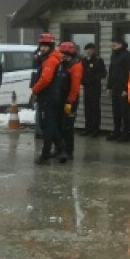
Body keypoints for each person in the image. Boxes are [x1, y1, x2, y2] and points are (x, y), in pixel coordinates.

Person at [30, 33, 67, 163]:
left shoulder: (50, 61)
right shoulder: (52, 58)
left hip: (48, 96)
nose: (42, 48)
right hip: (52, 96)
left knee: (47, 127)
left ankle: (45, 155)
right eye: (42, 46)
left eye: (46, 46)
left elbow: (45, 79)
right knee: (51, 124)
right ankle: (61, 150)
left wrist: (35, 89)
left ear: (50, 47)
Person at [106, 36, 130, 142]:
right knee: (116, 111)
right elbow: (111, 71)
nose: (112, 47)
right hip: (115, 87)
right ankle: (116, 131)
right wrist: (109, 86)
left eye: (114, 45)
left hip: (123, 88)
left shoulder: (127, 56)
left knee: (124, 112)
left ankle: (126, 133)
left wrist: (126, 89)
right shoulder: (114, 56)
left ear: (120, 44)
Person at [58, 41, 83, 158]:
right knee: (60, 125)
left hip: (70, 101)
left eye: (63, 54)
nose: (62, 56)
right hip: (61, 98)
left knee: (67, 126)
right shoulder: (63, 65)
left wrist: (70, 102)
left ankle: (68, 151)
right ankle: (60, 148)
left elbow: (75, 88)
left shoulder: (76, 66)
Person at [80, 42, 107, 136]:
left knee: (94, 108)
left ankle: (95, 130)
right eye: (87, 49)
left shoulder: (98, 60)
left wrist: (94, 79)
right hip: (86, 87)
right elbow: (81, 72)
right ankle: (88, 128)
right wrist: (82, 81)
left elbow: (103, 73)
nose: (89, 51)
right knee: (87, 109)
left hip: (95, 87)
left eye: (91, 49)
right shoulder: (84, 60)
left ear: (94, 50)